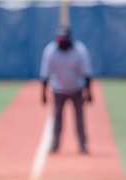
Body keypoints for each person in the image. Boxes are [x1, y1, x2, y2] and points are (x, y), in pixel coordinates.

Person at [40, 26, 93, 154]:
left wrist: (89, 92)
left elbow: (86, 74)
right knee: (57, 118)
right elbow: (45, 74)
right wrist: (43, 93)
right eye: (60, 39)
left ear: (70, 39)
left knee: (79, 119)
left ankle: (82, 145)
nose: (62, 41)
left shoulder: (79, 51)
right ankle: (55, 145)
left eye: (64, 39)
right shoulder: (50, 51)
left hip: (77, 89)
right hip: (58, 90)